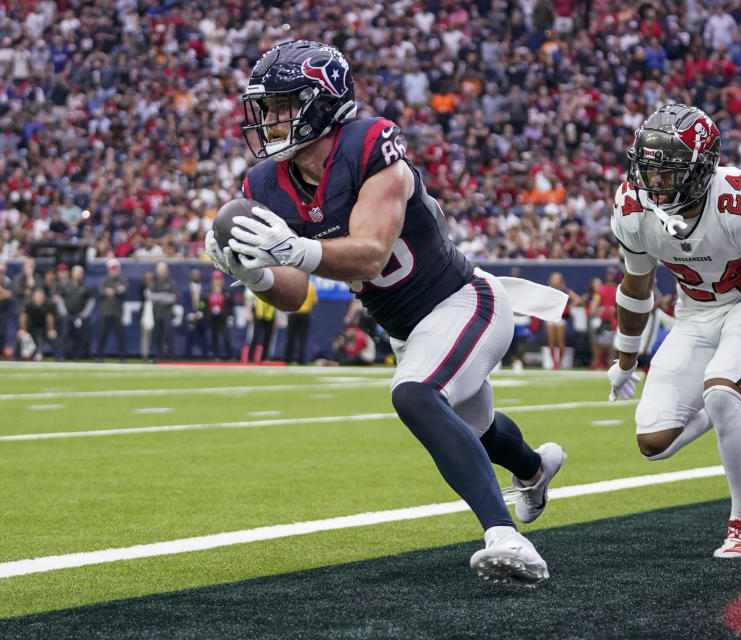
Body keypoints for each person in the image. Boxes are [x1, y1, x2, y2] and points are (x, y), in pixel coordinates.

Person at [206, 40, 567, 584]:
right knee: (477, 428)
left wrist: (294, 248)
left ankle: (505, 536)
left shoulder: (370, 146)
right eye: (267, 109)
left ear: (322, 101)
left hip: (463, 300)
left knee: (416, 394)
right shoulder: (266, 185)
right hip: (408, 328)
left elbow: (372, 251)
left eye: (283, 106)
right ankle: (534, 469)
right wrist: (253, 275)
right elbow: (294, 292)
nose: (271, 120)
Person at [608, 104, 741, 558]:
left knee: (719, 392)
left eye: (670, 173)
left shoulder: (740, 198)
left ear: (703, 168)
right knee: (653, 445)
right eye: (649, 171)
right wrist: (625, 359)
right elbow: (636, 289)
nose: (656, 184)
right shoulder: (632, 206)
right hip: (693, 314)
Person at [57, 265, 95, 361]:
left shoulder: (86, 287)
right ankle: (63, 355)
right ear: (72, 273)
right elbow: (60, 299)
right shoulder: (66, 286)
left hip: (79, 316)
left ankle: (77, 356)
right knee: (65, 336)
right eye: (77, 272)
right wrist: (64, 312)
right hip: (68, 315)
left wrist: (85, 314)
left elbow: (91, 301)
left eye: (80, 273)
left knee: (79, 337)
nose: (78, 275)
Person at [545, 272, 582, 370]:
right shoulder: (548, 290)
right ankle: (554, 363)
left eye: (557, 278)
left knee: (560, 341)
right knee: (551, 341)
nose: (555, 280)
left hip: (561, 318)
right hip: (550, 317)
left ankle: (559, 362)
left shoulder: (565, 290)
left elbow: (577, 299)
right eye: (554, 278)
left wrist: (568, 307)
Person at [95, 258, 128, 361]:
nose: (114, 271)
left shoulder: (122, 281)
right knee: (102, 336)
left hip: (117, 312)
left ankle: (122, 357)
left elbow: (123, 291)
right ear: (109, 270)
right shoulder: (104, 281)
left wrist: (112, 291)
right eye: (112, 269)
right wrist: (113, 291)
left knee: (120, 336)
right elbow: (101, 291)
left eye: (116, 269)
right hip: (106, 312)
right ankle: (99, 356)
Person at [17, 288, 57, 360]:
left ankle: (40, 353)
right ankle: (18, 356)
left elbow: (50, 318)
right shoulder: (27, 303)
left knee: (42, 335)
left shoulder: (48, 304)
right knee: (22, 335)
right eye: (37, 297)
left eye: (41, 297)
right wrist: (23, 330)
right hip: (29, 325)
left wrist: (51, 329)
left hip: (42, 325)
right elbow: (23, 318)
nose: (39, 299)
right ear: (33, 297)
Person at [284, 278, 317, 365]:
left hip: (294, 313)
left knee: (291, 337)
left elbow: (287, 298)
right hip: (305, 314)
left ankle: (288, 359)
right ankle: (301, 359)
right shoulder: (311, 286)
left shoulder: (294, 285)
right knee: (303, 338)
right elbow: (314, 301)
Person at [150, 262, 178, 359]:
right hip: (157, 312)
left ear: (167, 271)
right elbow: (150, 296)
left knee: (168, 333)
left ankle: (171, 355)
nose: (161, 273)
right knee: (158, 334)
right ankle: (159, 355)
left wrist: (159, 297)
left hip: (167, 312)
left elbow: (172, 298)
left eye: (163, 271)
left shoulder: (171, 282)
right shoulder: (154, 283)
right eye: (160, 271)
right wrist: (164, 296)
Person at [204, 271, 234, 360]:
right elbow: (202, 304)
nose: (218, 282)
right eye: (216, 280)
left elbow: (231, 306)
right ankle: (215, 355)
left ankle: (230, 355)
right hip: (212, 317)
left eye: (219, 279)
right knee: (213, 337)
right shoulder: (207, 293)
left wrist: (230, 316)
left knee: (226, 337)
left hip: (223, 318)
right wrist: (205, 314)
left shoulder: (227, 293)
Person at [183, 269, 210, 359]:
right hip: (190, 317)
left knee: (203, 338)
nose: (196, 277)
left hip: (201, 317)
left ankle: (205, 357)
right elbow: (185, 303)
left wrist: (200, 312)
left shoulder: (204, 289)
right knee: (189, 337)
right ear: (191, 277)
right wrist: (189, 314)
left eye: (197, 275)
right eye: (194, 275)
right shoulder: (186, 289)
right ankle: (187, 357)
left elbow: (204, 303)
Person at [139, 271, 155, 361]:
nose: (149, 281)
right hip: (146, 314)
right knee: (145, 336)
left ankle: (159, 355)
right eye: (147, 279)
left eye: (150, 279)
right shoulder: (142, 288)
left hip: (156, 313)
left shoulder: (156, 287)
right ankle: (144, 355)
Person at [0, 262, 12, 358]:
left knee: (2, 332)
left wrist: (3, 292)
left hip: (3, 310)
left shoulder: (7, 281)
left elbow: (9, 295)